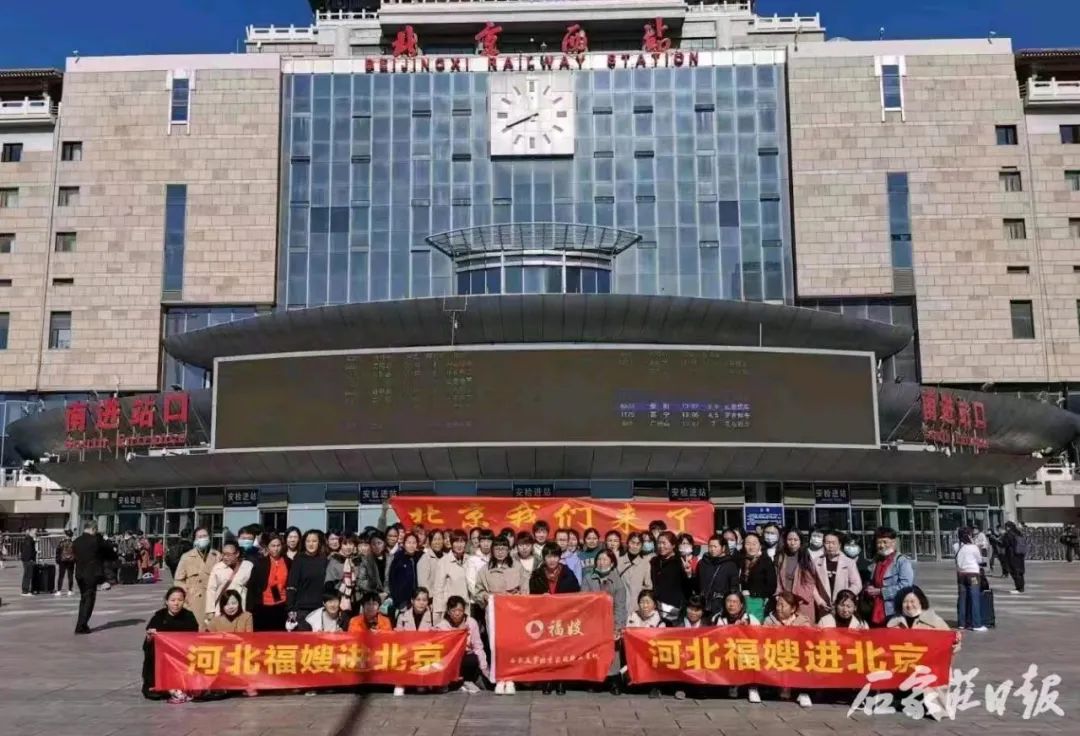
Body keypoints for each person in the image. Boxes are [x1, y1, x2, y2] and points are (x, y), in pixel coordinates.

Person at [142, 587, 199, 703]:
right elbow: (148, 642)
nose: (176, 603)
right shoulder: (159, 616)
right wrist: (150, 636)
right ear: (167, 601)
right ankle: (159, 683)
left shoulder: (189, 616)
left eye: (180, 600)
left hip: (181, 655)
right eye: (173, 600)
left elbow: (194, 639)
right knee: (151, 648)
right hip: (163, 657)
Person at [582, 549, 626, 695]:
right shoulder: (588, 578)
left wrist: (618, 627)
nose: (601, 562)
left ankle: (614, 681)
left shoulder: (617, 581)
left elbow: (620, 606)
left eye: (605, 560)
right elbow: (583, 600)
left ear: (612, 563)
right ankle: (596, 680)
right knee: (595, 651)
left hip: (611, 620)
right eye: (599, 559)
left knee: (613, 652)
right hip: (593, 621)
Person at [764, 592, 814, 707]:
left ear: (793, 609)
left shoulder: (803, 622)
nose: (779, 608)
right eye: (778, 604)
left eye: (783, 605)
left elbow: (807, 641)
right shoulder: (769, 621)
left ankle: (803, 692)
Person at [713, 591, 761, 703]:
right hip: (725, 652)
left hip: (745, 653)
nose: (731, 605)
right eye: (728, 601)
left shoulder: (751, 619)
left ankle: (752, 688)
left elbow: (760, 637)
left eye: (735, 602)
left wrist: (746, 629)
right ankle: (733, 684)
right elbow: (714, 638)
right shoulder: (717, 618)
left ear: (741, 604)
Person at [437, 595, 489, 693]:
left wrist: (484, 668)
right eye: (453, 611)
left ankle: (468, 680)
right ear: (448, 611)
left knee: (472, 659)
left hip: (466, 657)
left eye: (460, 610)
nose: (457, 613)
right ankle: (451, 682)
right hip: (449, 659)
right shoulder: (442, 626)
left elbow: (478, 647)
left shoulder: (471, 623)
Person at [774, 530, 828, 621]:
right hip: (785, 600)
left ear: (800, 542)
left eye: (796, 540)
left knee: (803, 626)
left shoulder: (806, 557)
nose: (792, 543)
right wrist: (778, 594)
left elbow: (810, 582)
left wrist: (817, 599)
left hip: (802, 601)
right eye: (790, 539)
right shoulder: (781, 557)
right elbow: (778, 580)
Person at [865, 527, 915, 627]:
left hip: (894, 610)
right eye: (879, 542)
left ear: (893, 542)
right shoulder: (876, 560)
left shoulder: (902, 561)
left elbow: (906, 586)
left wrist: (881, 592)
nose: (881, 545)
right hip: (876, 607)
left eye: (885, 542)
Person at [174, 527, 220, 631]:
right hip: (192, 601)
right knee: (194, 630)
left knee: (212, 630)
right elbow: (178, 580)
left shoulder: (217, 556)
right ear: (195, 539)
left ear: (209, 538)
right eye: (199, 537)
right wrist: (186, 595)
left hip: (213, 600)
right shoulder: (186, 557)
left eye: (205, 536)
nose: (202, 539)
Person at [72, 521, 111, 634]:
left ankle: (81, 624)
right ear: (93, 529)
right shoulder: (95, 540)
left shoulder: (76, 541)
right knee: (89, 599)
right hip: (91, 574)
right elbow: (107, 551)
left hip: (79, 573)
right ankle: (82, 626)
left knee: (83, 599)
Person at [248, 533, 291, 631]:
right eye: (273, 546)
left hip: (282, 606)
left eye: (278, 545)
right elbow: (252, 586)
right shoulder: (260, 563)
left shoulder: (288, 562)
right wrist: (250, 608)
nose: (276, 549)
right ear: (267, 547)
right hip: (263, 606)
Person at [205, 540, 253, 627]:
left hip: (241, 608)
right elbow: (211, 589)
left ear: (237, 553)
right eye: (223, 554)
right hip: (221, 609)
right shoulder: (217, 567)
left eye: (228, 554)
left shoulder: (248, 566)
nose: (225, 557)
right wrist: (210, 611)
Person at [650, 531, 692, 626]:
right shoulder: (654, 561)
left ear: (673, 545)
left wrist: (688, 574)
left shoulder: (680, 562)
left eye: (664, 543)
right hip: (657, 607)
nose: (661, 546)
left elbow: (688, 587)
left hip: (675, 608)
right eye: (659, 543)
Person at [286, 530, 329, 622]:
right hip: (301, 609)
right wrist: (290, 608)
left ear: (319, 543)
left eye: (314, 541)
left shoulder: (324, 560)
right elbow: (292, 585)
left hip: (320, 608)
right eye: (308, 541)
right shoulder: (299, 560)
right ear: (304, 543)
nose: (311, 544)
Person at [697, 534, 739, 621]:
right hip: (702, 605)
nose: (712, 549)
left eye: (715, 546)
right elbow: (696, 584)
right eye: (710, 546)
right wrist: (689, 574)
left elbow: (734, 588)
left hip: (720, 606)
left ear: (723, 548)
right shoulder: (702, 563)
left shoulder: (730, 565)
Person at [815, 531, 863, 604]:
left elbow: (857, 584)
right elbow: (811, 584)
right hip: (822, 603)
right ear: (823, 544)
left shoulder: (849, 562)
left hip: (843, 604)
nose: (830, 546)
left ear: (839, 545)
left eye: (833, 543)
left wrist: (844, 597)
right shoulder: (816, 561)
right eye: (827, 543)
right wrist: (819, 600)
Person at [955, 528, 988, 632]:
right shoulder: (973, 547)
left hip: (961, 574)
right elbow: (979, 560)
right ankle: (976, 624)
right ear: (969, 535)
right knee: (974, 598)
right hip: (973, 574)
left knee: (962, 599)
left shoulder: (956, 546)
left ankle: (962, 623)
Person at [739, 532, 775, 624]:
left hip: (758, 602)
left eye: (754, 544)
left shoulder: (766, 561)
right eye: (748, 544)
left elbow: (771, 586)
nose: (751, 547)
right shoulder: (741, 561)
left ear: (760, 545)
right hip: (742, 603)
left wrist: (752, 593)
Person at [434, 529, 471, 618]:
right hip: (450, 609)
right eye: (456, 542)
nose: (459, 545)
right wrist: (439, 612)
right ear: (451, 543)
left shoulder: (470, 560)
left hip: (466, 608)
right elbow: (438, 589)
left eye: (462, 542)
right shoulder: (444, 562)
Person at [326, 533, 364, 612]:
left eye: (351, 544)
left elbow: (364, 579)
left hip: (358, 600)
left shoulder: (359, 560)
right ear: (340, 545)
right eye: (345, 544)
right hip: (339, 599)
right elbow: (329, 582)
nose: (348, 547)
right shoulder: (334, 560)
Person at [617, 532, 653, 613]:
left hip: (637, 609)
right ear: (627, 543)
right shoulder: (618, 561)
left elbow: (648, 586)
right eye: (632, 543)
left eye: (638, 544)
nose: (635, 546)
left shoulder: (645, 563)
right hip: (619, 607)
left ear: (641, 546)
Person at [388, 532, 423, 613]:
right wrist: (396, 596)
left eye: (414, 543)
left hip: (417, 597)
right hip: (402, 599)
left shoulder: (420, 557)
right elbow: (392, 578)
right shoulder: (398, 558)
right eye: (409, 542)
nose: (411, 545)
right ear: (404, 544)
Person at [465, 528, 494, 604]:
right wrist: (482, 596)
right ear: (479, 542)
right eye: (483, 541)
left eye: (489, 541)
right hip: (477, 601)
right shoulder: (472, 560)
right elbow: (471, 582)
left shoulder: (495, 559)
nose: (486, 544)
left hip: (494, 600)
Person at [362, 531, 390, 600]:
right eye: (373, 544)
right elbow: (361, 581)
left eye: (379, 543)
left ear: (384, 543)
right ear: (370, 545)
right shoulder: (366, 560)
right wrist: (375, 591)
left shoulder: (391, 559)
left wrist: (387, 591)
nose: (377, 546)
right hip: (372, 597)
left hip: (389, 596)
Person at [417, 529, 445, 594]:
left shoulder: (446, 557)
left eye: (439, 539)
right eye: (434, 539)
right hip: (432, 597)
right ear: (430, 542)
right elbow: (423, 585)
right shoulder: (425, 559)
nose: (437, 542)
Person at [1003, 521, 1027, 594]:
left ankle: (1019, 588)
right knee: (1020, 572)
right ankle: (1021, 587)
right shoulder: (1018, 533)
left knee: (1014, 572)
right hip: (1020, 554)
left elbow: (1005, 544)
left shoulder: (1008, 534)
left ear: (1008, 527)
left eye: (1006, 527)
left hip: (1012, 555)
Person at [55, 529, 76, 597]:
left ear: (66, 535)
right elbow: (76, 552)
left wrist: (58, 560)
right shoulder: (73, 543)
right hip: (71, 561)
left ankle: (59, 591)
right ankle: (70, 591)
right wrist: (75, 560)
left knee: (61, 576)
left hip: (62, 561)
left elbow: (58, 551)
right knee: (70, 576)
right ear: (71, 536)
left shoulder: (61, 543)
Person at [19, 530, 36, 596]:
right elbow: (29, 550)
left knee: (26, 575)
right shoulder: (30, 540)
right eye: (34, 532)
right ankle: (25, 591)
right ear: (31, 532)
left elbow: (21, 549)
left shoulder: (25, 539)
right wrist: (31, 559)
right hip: (28, 560)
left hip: (25, 559)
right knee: (28, 575)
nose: (35, 533)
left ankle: (25, 590)